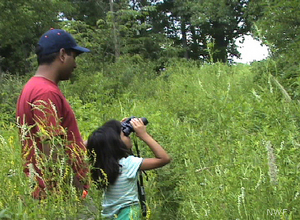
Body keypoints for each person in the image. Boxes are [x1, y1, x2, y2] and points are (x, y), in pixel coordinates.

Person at [16, 28, 90, 199]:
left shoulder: (32, 87)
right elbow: (52, 151)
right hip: (59, 195)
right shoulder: (45, 92)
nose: (75, 65)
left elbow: (45, 143)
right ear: (63, 54)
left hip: (48, 192)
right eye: (74, 57)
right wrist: (78, 192)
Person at [87, 118, 171, 219]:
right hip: (128, 213)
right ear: (116, 143)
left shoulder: (101, 164)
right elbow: (164, 159)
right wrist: (144, 135)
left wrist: (115, 129)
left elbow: (96, 143)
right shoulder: (128, 164)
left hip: (109, 215)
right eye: (124, 134)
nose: (128, 136)